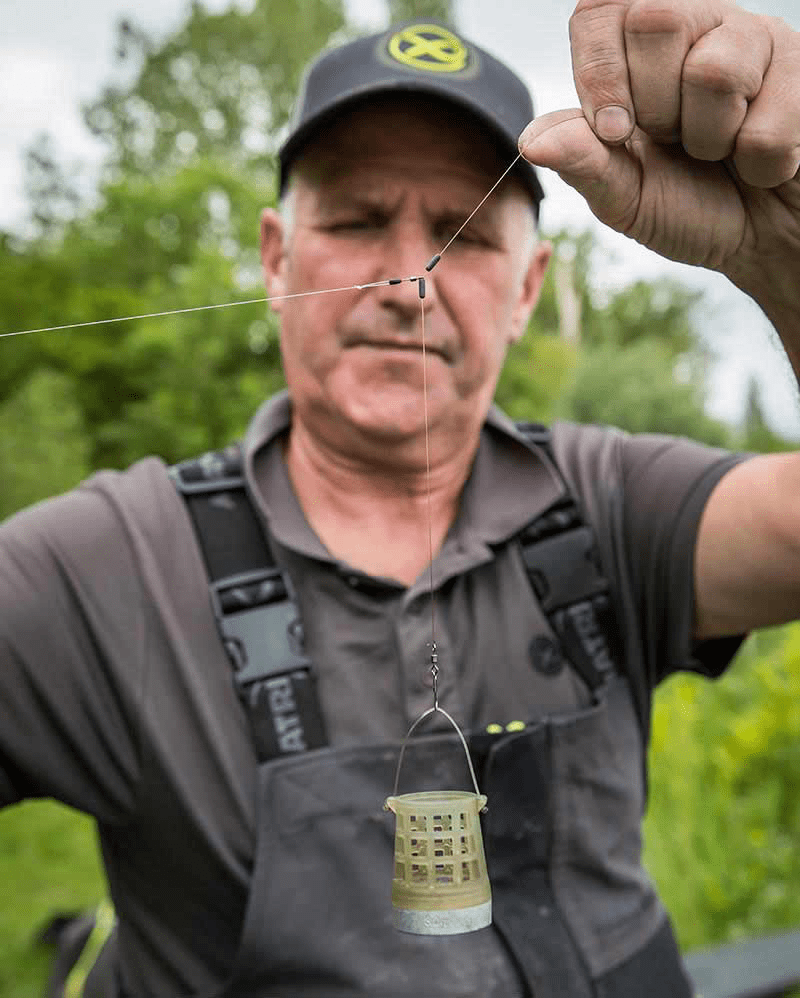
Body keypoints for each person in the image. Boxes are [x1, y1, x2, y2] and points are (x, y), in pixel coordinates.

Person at [3, 5, 800, 997]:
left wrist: (787, 261)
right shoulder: (105, 565)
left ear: (526, 289)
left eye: (462, 233)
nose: (405, 280)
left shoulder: (611, 501)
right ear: (275, 258)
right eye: (356, 221)